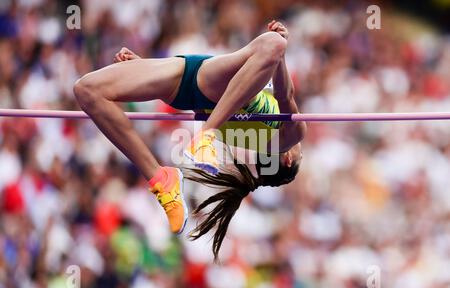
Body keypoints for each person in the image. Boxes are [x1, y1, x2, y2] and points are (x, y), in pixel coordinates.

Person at [73, 21, 306, 256]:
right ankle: (160, 177)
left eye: (301, 155)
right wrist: (144, 67)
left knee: (273, 42)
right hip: (186, 75)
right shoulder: (248, 138)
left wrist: (282, 48)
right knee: (86, 90)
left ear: (287, 159)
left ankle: (206, 135)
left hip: (204, 81)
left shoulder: (285, 137)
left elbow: (285, 94)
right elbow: (278, 83)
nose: (302, 148)